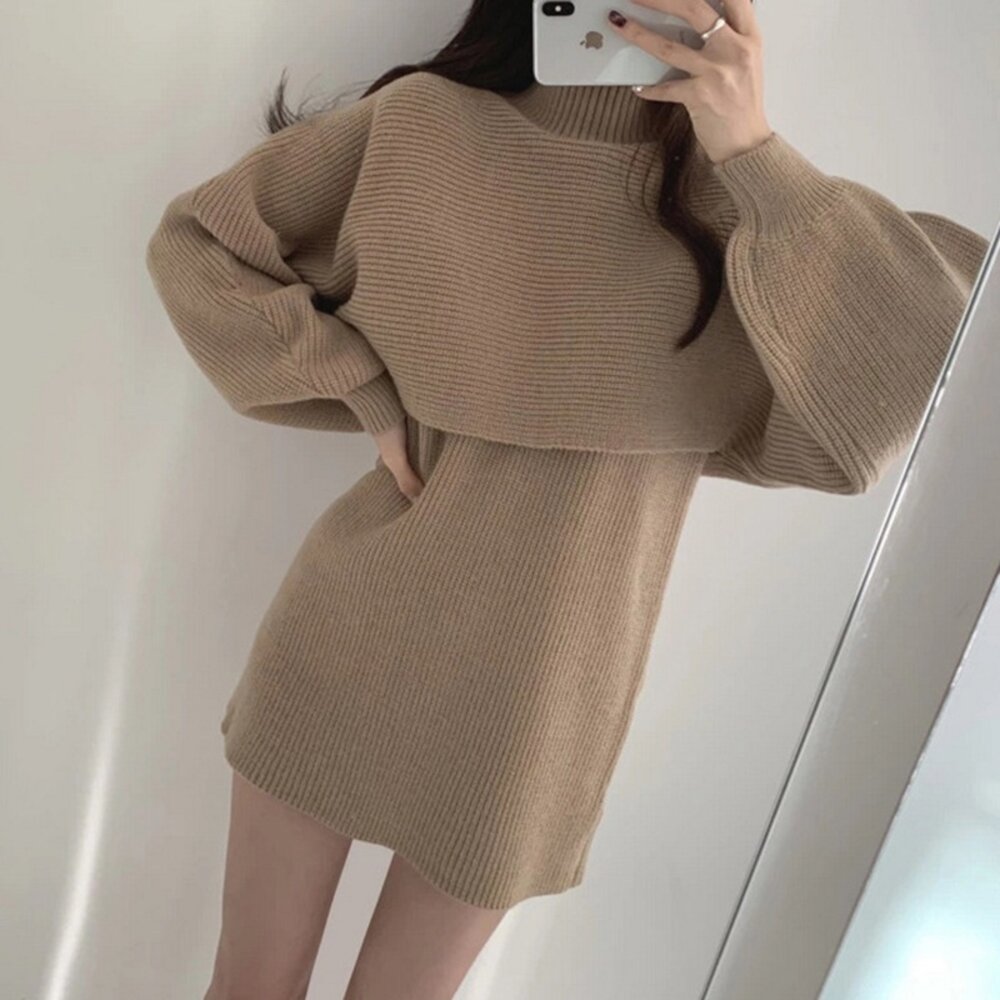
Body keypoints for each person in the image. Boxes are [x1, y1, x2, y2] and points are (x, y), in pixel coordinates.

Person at [144, 1, 990, 997]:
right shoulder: (424, 127)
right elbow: (201, 242)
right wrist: (358, 387)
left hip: (544, 711)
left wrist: (755, 154)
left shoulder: (750, 207)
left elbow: (915, 382)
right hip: (350, 634)